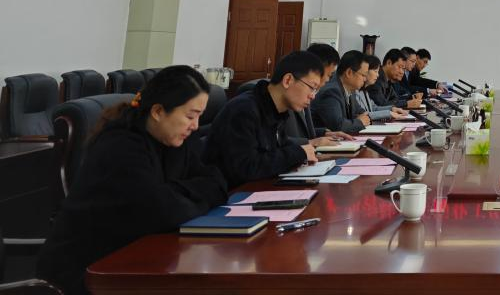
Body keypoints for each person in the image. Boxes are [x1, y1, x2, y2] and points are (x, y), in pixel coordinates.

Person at [37, 66, 227, 295]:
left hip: (135, 260)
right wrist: (186, 195)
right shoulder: (120, 145)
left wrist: (172, 192)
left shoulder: (173, 142)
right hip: (86, 273)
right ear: (158, 111)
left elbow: (217, 182)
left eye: (199, 117)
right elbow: (160, 212)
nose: (195, 126)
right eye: (190, 116)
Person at [204, 51, 321, 188]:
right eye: (312, 88)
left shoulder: (276, 110)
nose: (313, 96)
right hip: (232, 194)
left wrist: (305, 151)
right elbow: (246, 168)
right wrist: (297, 153)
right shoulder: (243, 110)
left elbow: (278, 147)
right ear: (288, 80)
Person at [285, 43, 355, 146]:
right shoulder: (293, 93)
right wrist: (310, 142)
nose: (328, 80)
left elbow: (302, 132)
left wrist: (324, 133)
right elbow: (279, 141)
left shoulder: (307, 91)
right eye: (329, 75)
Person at [310, 49, 372, 133]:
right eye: (363, 75)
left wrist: (357, 120)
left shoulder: (351, 90)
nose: (365, 79)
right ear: (349, 72)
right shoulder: (331, 91)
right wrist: (359, 122)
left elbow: (362, 113)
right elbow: (338, 126)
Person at [354, 55, 407, 121]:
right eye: (375, 71)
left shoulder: (364, 91)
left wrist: (391, 109)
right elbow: (362, 115)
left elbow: (374, 108)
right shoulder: (355, 91)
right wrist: (388, 113)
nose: (377, 75)